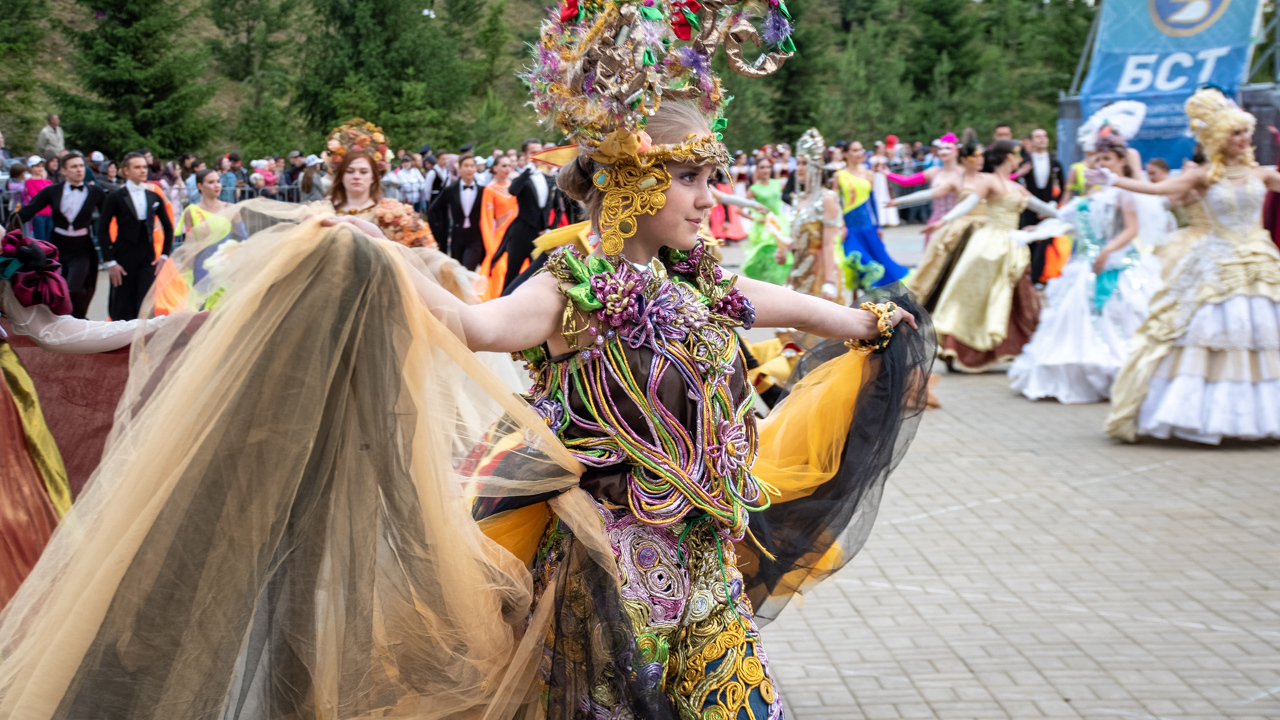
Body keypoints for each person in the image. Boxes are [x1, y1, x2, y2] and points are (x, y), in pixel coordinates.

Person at [1094, 88, 1280, 443]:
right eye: (1235, 132)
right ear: (1219, 138)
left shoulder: (1261, 174)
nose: (1243, 138)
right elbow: (1158, 190)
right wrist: (1114, 180)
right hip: (1219, 260)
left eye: (1245, 131)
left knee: (1262, 334)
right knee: (1214, 331)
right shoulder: (1204, 176)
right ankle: (1205, 416)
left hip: (1259, 262)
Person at [1009, 134, 1163, 403]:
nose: (1102, 163)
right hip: (1084, 264)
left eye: (1108, 159)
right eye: (1098, 159)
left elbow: (1131, 229)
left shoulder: (1124, 192)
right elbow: (1070, 223)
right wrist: (1040, 229)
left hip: (1116, 262)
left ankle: (1120, 372)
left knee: (1118, 314)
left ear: (1121, 162)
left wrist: (1107, 251)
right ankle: (1079, 375)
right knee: (1076, 314)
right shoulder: (1093, 194)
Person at [930, 139, 1057, 372]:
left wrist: (1074, 215)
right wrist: (944, 220)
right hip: (989, 245)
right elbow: (969, 203)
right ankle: (963, 347)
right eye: (1017, 154)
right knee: (978, 296)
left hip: (1013, 246)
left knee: (1017, 299)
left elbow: (1044, 208)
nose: (1020, 159)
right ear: (1009, 157)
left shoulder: (1017, 186)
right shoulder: (989, 181)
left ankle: (1014, 348)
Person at [892, 140, 989, 312]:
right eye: (975, 156)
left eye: (981, 155)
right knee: (937, 264)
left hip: (977, 227)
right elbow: (928, 191)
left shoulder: (987, 179)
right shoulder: (949, 177)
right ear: (965, 158)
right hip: (947, 223)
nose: (980, 159)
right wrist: (899, 200)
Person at [13, 151, 107, 318]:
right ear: (63, 171)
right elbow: (29, 211)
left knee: (76, 289)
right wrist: (8, 230)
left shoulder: (95, 192)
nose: (79, 170)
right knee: (57, 287)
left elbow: (109, 216)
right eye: (74, 166)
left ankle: (78, 319)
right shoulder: (52, 191)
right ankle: (61, 321)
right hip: (58, 244)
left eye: (81, 166)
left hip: (82, 246)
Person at [97, 151, 174, 320]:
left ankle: (142, 335)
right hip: (122, 257)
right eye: (137, 167)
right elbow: (102, 230)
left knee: (145, 303)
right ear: (126, 171)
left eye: (144, 167)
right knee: (122, 304)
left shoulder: (154, 196)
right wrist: (110, 261)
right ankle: (121, 335)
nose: (143, 170)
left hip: (148, 258)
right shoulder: (115, 197)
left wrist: (164, 256)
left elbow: (168, 227)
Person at [780, 129, 844, 300]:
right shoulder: (798, 199)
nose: (799, 168)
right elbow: (798, 240)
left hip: (819, 274)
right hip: (797, 271)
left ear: (816, 166)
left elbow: (829, 244)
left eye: (805, 163)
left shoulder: (827, 198)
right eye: (798, 163)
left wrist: (829, 282)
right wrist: (783, 251)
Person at [837, 141, 909, 292]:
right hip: (849, 228)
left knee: (879, 264)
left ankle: (876, 300)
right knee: (855, 262)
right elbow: (836, 201)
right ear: (846, 154)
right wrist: (840, 224)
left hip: (867, 225)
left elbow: (873, 201)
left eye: (860, 150)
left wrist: (878, 225)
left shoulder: (868, 173)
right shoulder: (840, 175)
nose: (859, 153)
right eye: (854, 150)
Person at [486, 140, 548, 296]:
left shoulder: (548, 178)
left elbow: (554, 206)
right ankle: (502, 303)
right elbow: (513, 190)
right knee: (512, 274)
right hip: (520, 233)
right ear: (526, 155)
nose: (537, 155)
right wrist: (527, 171)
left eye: (540, 151)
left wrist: (550, 226)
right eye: (533, 152)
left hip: (540, 235)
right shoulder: (523, 177)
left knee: (538, 275)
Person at [1018, 128, 1064, 284]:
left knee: (1045, 243)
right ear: (1031, 141)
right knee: (1027, 242)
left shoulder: (1055, 163)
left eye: (1044, 136)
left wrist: (1052, 205)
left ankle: (1037, 278)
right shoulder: (1025, 163)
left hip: (1049, 208)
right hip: (1028, 209)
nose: (1042, 139)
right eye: (1037, 137)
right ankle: (1025, 277)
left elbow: (1062, 186)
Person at [428, 154, 485, 270]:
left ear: (475, 169)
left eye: (472, 166)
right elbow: (434, 210)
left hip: (476, 237)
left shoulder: (483, 191)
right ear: (459, 169)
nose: (469, 169)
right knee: (458, 270)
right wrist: (438, 232)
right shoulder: (451, 190)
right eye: (466, 166)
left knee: (468, 268)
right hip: (457, 236)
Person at [740, 157, 792, 285]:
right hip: (764, 228)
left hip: (779, 224)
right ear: (757, 170)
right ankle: (764, 284)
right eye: (762, 167)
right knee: (765, 257)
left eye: (768, 167)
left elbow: (789, 197)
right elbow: (739, 210)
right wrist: (755, 219)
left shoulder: (777, 183)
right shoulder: (754, 189)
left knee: (781, 253)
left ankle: (779, 283)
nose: (766, 170)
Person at [21, 157, 53, 241]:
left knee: (50, 240)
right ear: (31, 168)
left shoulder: (48, 181)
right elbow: (36, 197)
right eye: (37, 166)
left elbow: (52, 196)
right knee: (41, 240)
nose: (40, 168)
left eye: (41, 166)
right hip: (38, 214)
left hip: (50, 213)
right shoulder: (29, 182)